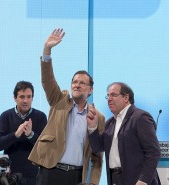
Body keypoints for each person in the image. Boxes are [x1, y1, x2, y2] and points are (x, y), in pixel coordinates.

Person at [28, 28, 105, 185]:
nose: (77, 85)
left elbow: (97, 156)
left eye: (82, 83)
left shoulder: (98, 117)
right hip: (50, 171)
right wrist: (47, 50)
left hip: (76, 176)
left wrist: (93, 183)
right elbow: (47, 80)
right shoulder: (59, 100)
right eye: (74, 82)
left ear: (90, 90)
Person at [87, 82, 161, 185]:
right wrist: (92, 127)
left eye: (113, 95)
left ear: (126, 98)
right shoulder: (110, 123)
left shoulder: (140, 117)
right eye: (108, 95)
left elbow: (153, 152)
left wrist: (143, 180)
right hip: (115, 179)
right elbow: (98, 147)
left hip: (138, 180)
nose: (109, 99)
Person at [0, 81, 47, 185]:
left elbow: (45, 147)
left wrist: (31, 135)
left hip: (34, 176)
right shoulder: (5, 116)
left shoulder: (41, 117)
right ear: (15, 98)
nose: (25, 101)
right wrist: (15, 135)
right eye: (22, 97)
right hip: (10, 175)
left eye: (29, 97)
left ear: (32, 98)